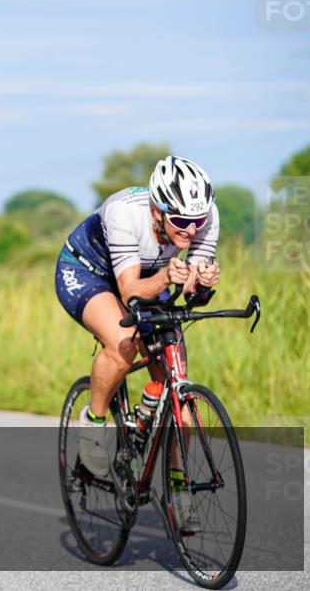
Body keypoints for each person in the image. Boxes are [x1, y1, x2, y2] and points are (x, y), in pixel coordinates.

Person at [55, 155, 220, 531]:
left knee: (176, 375)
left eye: (197, 221)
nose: (191, 230)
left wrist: (202, 283)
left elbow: (191, 291)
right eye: (181, 221)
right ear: (157, 210)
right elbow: (130, 291)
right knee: (124, 342)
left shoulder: (206, 218)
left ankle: (179, 490)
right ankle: (94, 423)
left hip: (149, 275)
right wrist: (168, 278)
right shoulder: (125, 213)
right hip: (89, 272)